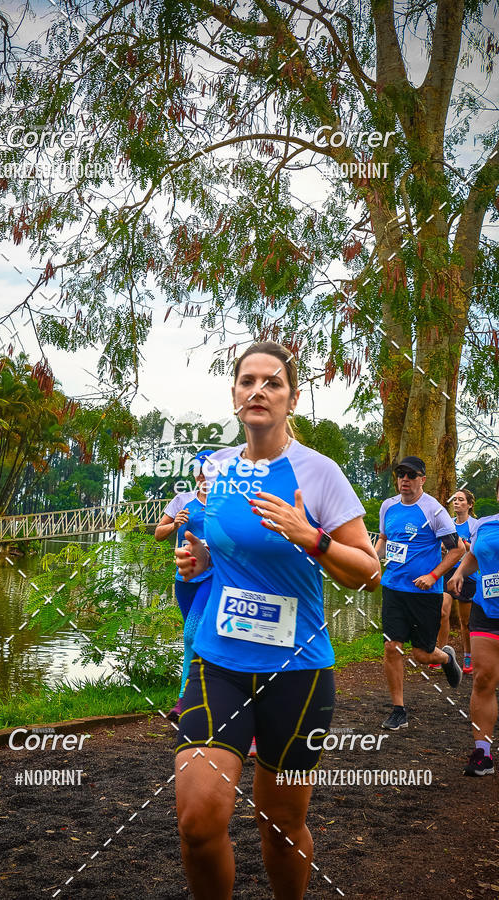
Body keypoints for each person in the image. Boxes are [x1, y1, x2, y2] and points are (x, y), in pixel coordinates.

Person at [174, 341, 381, 899]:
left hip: (297, 672)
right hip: (219, 661)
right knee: (197, 820)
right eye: (248, 381)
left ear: (292, 398)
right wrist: (201, 560)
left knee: (281, 826)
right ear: (234, 395)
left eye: (273, 382)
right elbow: (220, 548)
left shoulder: (320, 473)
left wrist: (311, 536)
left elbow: (368, 573)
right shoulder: (214, 468)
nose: (259, 391)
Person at [375, 457, 465, 731]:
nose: (405, 479)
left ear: (422, 479)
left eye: (411, 475)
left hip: (424, 593)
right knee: (392, 647)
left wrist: (433, 576)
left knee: (422, 654)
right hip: (393, 588)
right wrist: (371, 561)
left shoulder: (434, 511)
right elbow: (383, 539)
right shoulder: (388, 506)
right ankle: (398, 710)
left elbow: (458, 549)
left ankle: (446, 658)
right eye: (401, 474)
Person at [155, 450, 214, 721]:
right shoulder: (182, 500)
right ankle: (198, 696)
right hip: (184, 579)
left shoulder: (224, 503)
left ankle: (185, 698)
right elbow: (158, 533)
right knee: (197, 637)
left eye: (207, 472)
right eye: (198, 472)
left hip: (212, 576)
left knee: (191, 633)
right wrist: (174, 524)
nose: (202, 477)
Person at [448, 477, 499, 776]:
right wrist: (460, 573)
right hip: (487, 610)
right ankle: (483, 753)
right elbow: (474, 555)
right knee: (483, 679)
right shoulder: (485, 525)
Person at [432, 489, 477, 673]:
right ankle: (441, 654)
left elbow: (477, 550)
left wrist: (461, 543)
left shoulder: (474, 525)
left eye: (461, 500)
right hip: (448, 571)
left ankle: (468, 656)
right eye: (455, 500)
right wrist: (444, 547)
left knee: (465, 621)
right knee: (443, 612)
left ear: (470, 504)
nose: (456, 502)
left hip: (467, 574)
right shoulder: (448, 524)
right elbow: (441, 544)